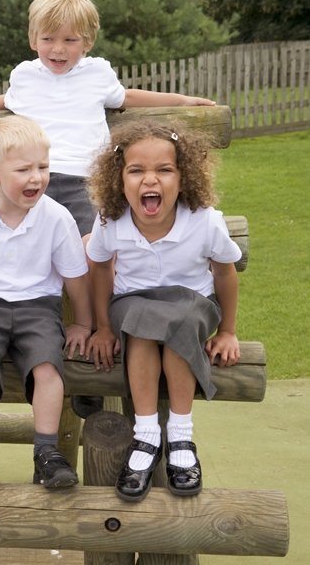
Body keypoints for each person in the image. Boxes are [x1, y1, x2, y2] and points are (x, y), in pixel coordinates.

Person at [0, 0, 214, 418]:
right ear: (32, 38)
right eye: (48, 38)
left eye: (70, 40)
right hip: (31, 179)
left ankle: (91, 344)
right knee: (20, 251)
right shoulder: (24, 75)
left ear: (87, 41)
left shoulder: (96, 73)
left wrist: (183, 100)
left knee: (89, 256)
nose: (58, 48)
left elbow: (127, 97)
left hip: (83, 183)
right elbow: (7, 100)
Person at [86, 120, 241, 502]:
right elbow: (101, 268)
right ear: (119, 179)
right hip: (132, 304)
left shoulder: (205, 221)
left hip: (192, 303)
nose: (149, 180)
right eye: (136, 170)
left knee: (179, 324)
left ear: (183, 177)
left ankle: (181, 437)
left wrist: (228, 331)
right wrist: (103, 327)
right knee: (142, 326)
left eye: (164, 170)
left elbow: (224, 273)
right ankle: (146, 436)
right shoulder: (111, 219)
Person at [0, 115, 92, 488]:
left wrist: (84, 323)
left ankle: (46, 450)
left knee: (48, 368)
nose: (36, 178)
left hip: (38, 305)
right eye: (23, 169)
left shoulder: (57, 218)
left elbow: (74, 279)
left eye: (43, 167)